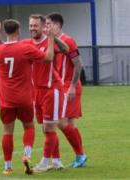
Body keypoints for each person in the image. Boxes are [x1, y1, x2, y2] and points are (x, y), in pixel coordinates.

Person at [0, 17, 55, 175]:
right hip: (24, 98)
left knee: (7, 132)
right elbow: (49, 57)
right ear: (18, 31)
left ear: (6, 31)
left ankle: (7, 167)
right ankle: (27, 154)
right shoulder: (25, 48)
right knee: (29, 126)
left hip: (6, 99)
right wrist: (51, 38)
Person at [23, 14, 68, 172]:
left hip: (52, 89)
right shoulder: (27, 43)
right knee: (45, 129)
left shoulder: (48, 41)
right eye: (30, 25)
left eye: (35, 25)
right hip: (37, 92)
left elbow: (65, 49)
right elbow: (11, 47)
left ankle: (44, 162)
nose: (32, 28)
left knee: (49, 128)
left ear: (43, 27)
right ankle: (57, 161)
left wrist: (53, 37)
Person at [46, 13, 87, 168]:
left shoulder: (68, 40)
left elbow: (78, 64)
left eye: (49, 24)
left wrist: (71, 86)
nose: (46, 27)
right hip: (60, 87)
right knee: (69, 123)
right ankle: (80, 156)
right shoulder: (51, 41)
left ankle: (80, 155)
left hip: (68, 87)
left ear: (58, 25)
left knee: (59, 122)